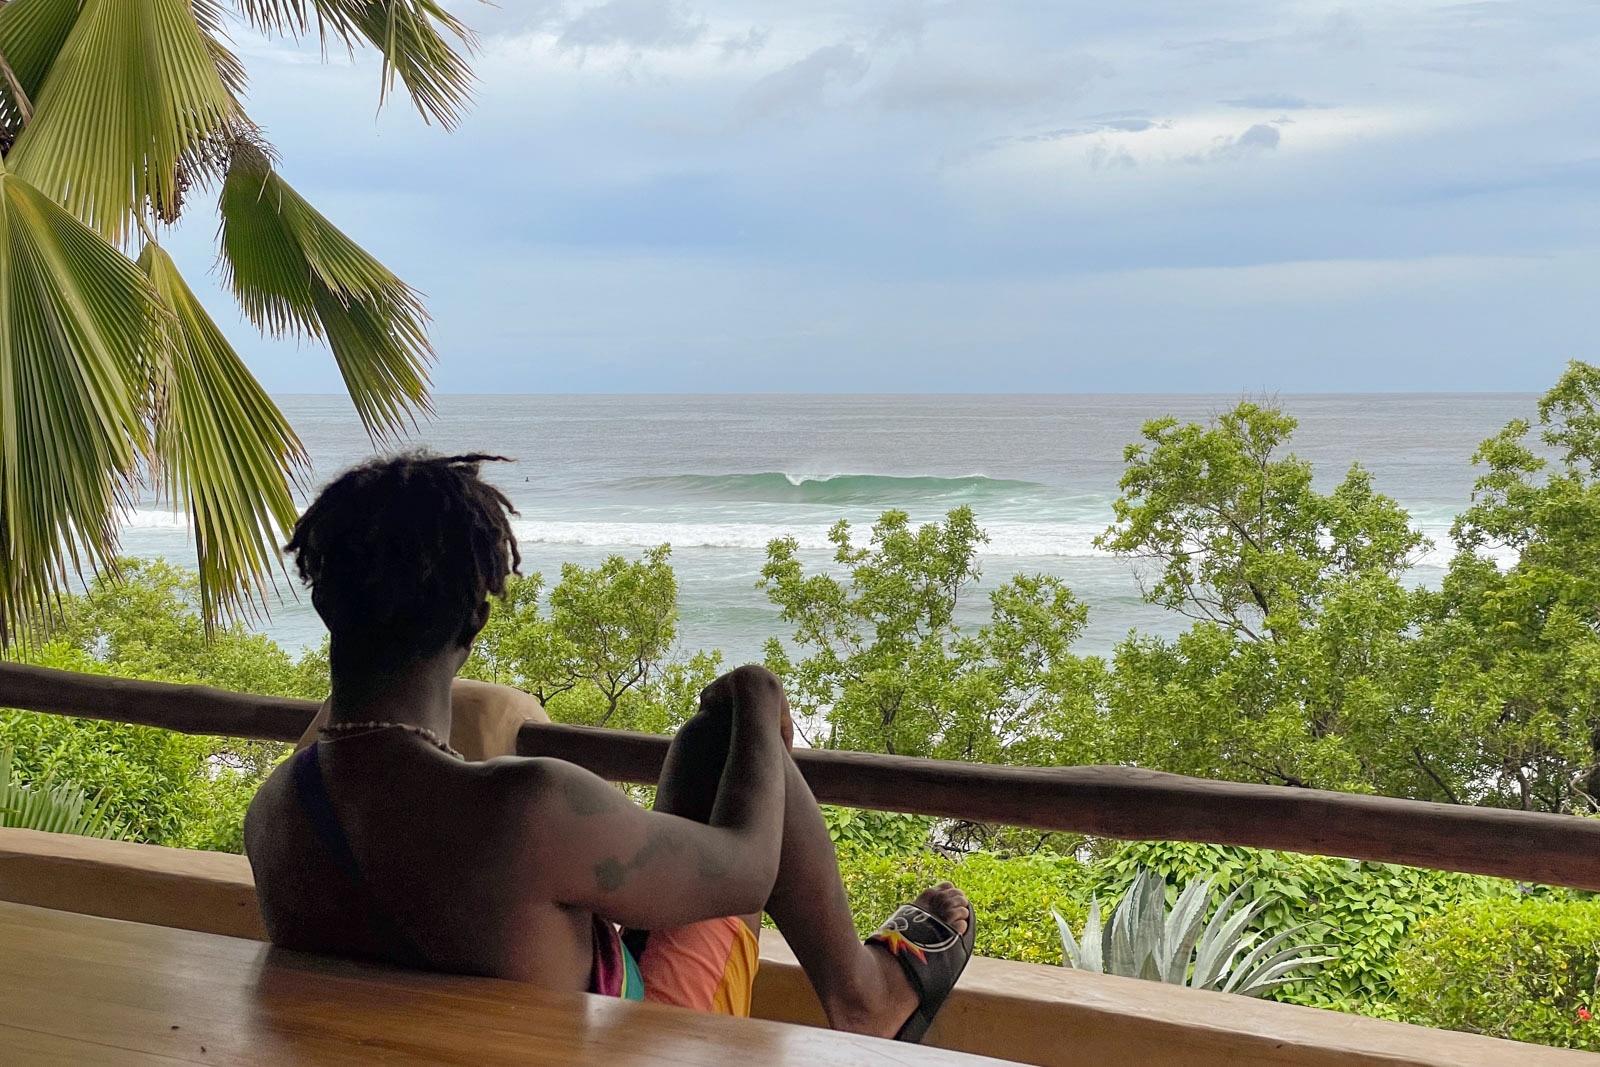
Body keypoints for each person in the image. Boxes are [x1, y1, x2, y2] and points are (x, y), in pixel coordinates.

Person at [245, 452, 975, 1042]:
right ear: (476, 616)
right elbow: (751, 870)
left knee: (694, 764)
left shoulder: (277, 811)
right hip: (621, 1046)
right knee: (725, 741)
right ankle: (862, 996)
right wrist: (757, 698)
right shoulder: (526, 806)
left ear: (324, 601)